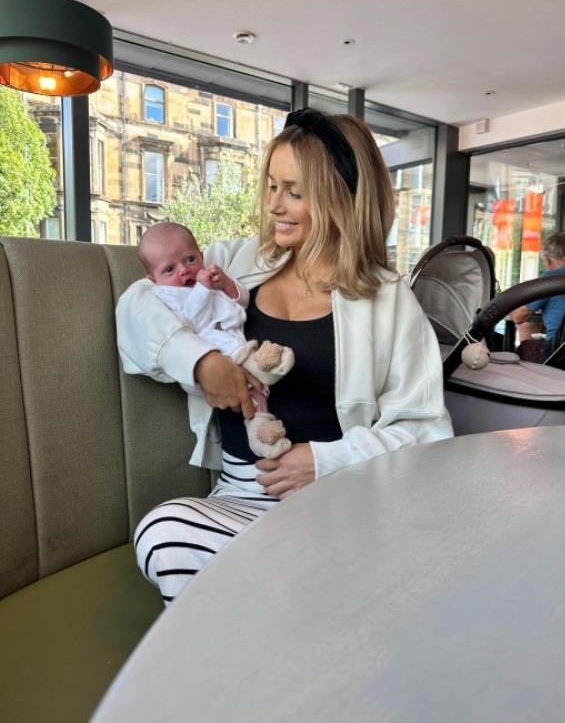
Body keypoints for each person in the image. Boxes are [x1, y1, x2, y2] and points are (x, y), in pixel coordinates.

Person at [116, 108, 453, 603]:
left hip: (337, 502)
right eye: (271, 186)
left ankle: (253, 626)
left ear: (343, 198)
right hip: (239, 500)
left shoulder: (388, 298)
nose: (274, 205)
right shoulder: (234, 260)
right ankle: (311, 595)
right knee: (163, 533)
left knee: (181, 547)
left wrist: (324, 460)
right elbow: (136, 304)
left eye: (294, 192)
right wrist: (200, 361)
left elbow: (427, 431)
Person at [137, 220, 294, 459]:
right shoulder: (166, 295)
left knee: (258, 394)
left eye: (190, 260)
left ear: (201, 255)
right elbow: (190, 319)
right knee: (248, 398)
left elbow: (240, 302)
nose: (183, 270)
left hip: (234, 342)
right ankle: (260, 429)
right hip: (216, 353)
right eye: (169, 269)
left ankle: (265, 397)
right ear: (153, 279)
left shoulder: (212, 274)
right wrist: (202, 288)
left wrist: (228, 285)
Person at [510, 232, 565, 349]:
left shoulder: (550, 279)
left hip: (560, 354)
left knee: (525, 338)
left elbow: (518, 317)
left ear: (547, 259)